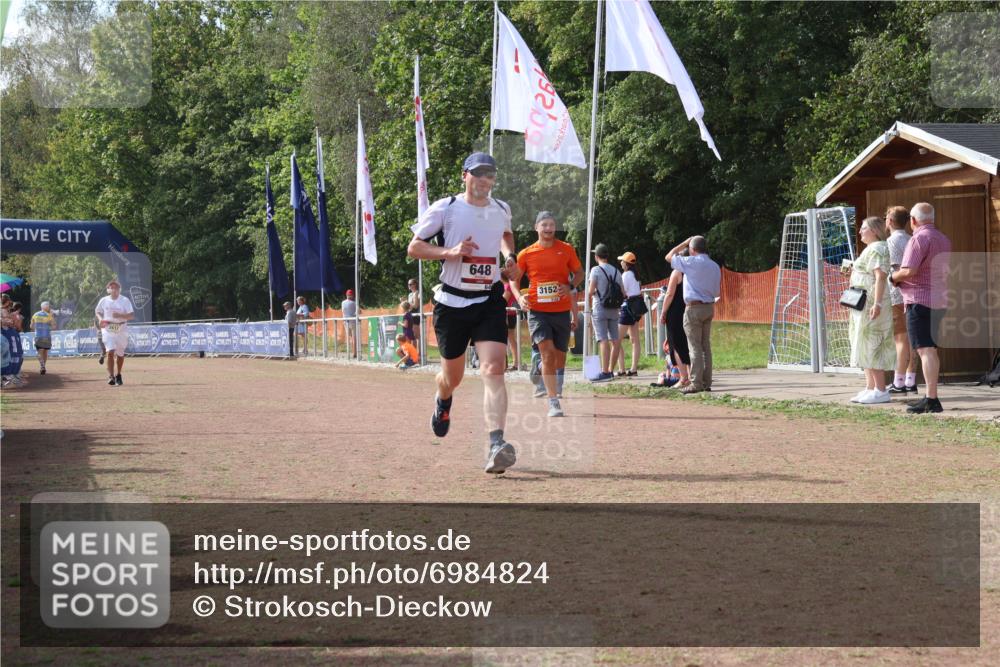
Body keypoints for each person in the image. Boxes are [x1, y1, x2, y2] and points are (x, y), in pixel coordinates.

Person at [407, 151, 522, 474]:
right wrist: (450, 251)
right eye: (478, 173)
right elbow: (414, 247)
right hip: (451, 303)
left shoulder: (501, 209)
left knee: (493, 369)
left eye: (490, 174)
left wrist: (509, 257)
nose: (484, 179)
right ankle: (443, 400)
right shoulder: (446, 208)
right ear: (465, 176)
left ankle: (496, 443)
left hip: (488, 300)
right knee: (452, 378)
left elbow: (506, 233)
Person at [510, 210, 583, 417]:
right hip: (537, 311)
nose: (548, 228)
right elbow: (514, 280)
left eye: (551, 225)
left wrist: (569, 286)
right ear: (537, 228)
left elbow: (579, 273)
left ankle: (539, 365)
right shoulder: (526, 253)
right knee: (549, 354)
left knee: (559, 359)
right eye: (544, 225)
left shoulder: (566, 250)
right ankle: (553, 403)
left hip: (560, 311)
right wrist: (519, 297)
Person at [890, 202, 951, 414]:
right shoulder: (943, 238)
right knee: (931, 350)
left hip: (920, 300)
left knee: (925, 350)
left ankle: (931, 399)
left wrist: (893, 277)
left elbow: (909, 271)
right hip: (940, 299)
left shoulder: (918, 238)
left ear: (914, 221)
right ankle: (931, 396)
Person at [846, 217, 894, 404]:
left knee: (872, 342)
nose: (860, 231)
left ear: (874, 230)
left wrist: (878, 304)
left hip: (871, 303)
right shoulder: (871, 248)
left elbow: (880, 277)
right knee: (862, 342)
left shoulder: (879, 248)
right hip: (862, 303)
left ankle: (881, 389)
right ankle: (870, 387)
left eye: (863, 228)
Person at [665, 235, 721, 394]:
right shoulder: (714, 266)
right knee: (705, 346)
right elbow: (717, 291)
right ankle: (706, 381)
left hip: (693, 308)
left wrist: (684, 241)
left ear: (692, 249)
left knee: (694, 346)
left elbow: (669, 257)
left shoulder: (691, 262)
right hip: (709, 306)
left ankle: (696, 382)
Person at [885, 205, 918, 394]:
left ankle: (898, 381)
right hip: (915, 293)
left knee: (900, 339)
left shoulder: (890, 242)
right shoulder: (912, 240)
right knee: (913, 339)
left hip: (897, 292)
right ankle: (910, 379)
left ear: (889, 221)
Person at [586, 243, 626, 382]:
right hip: (614, 309)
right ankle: (610, 370)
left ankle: (603, 372)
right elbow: (623, 293)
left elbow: (591, 291)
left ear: (596, 257)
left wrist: (595, 293)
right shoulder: (616, 271)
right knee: (615, 340)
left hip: (600, 308)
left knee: (603, 340)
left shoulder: (595, 270)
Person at [94, 279, 135, 385]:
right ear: (108, 290)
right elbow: (97, 311)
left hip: (122, 328)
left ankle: (118, 374)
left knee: (120, 354)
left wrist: (120, 316)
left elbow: (131, 316)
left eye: (116, 287)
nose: (113, 289)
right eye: (111, 287)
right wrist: (100, 319)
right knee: (110, 351)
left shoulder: (125, 300)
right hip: (108, 328)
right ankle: (111, 376)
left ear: (119, 289)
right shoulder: (104, 300)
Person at [660, 254, 691, 388]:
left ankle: (683, 378)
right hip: (688, 308)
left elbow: (670, 294)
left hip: (675, 312)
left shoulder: (676, 272)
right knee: (688, 344)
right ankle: (691, 376)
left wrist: (663, 312)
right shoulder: (691, 272)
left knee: (676, 345)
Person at [614, 251, 642, 377]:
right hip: (637, 308)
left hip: (627, 308)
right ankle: (634, 368)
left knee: (616, 339)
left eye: (622, 261)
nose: (620, 262)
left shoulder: (625, 275)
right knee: (635, 340)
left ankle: (621, 369)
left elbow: (622, 292)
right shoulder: (636, 275)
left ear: (626, 263)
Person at [30, 301, 56, 375]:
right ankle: (43, 366)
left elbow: (31, 326)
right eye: (49, 306)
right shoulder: (49, 316)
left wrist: (38, 328)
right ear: (47, 307)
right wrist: (48, 326)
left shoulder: (35, 315)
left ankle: (42, 366)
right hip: (47, 336)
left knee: (40, 352)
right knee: (45, 352)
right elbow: (54, 327)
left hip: (38, 336)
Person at [502, 280, 521, 371]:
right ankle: (514, 362)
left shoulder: (507, 286)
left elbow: (504, 300)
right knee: (511, 338)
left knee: (508, 338)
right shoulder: (508, 285)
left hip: (509, 314)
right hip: (510, 313)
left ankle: (513, 363)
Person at [341, 289, 358, 358]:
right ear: (352, 295)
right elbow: (358, 311)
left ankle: (348, 352)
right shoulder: (354, 303)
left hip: (345, 321)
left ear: (346, 295)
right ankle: (355, 353)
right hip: (353, 321)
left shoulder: (343, 302)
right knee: (354, 338)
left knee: (349, 337)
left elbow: (343, 311)